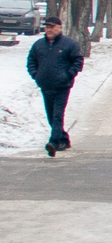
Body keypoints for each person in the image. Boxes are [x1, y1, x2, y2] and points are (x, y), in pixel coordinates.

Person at [26, 16, 84, 157]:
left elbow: (78, 61)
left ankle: (53, 143)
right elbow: (31, 61)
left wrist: (68, 75)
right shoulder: (39, 45)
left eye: (52, 27)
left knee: (57, 115)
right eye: (47, 27)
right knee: (51, 116)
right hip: (46, 85)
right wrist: (36, 75)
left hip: (62, 86)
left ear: (59, 28)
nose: (49, 30)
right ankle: (63, 138)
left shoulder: (69, 44)